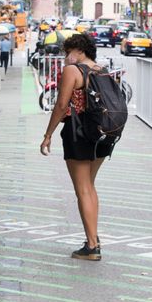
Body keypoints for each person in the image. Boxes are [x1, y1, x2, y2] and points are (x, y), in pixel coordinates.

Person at [40, 32, 117, 261]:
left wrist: (48, 135)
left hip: (79, 134)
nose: (65, 57)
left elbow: (61, 105)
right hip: (103, 135)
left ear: (80, 52)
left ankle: (92, 245)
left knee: (82, 189)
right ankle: (93, 238)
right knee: (89, 187)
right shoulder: (101, 70)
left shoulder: (73, 71)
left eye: (68, 52)